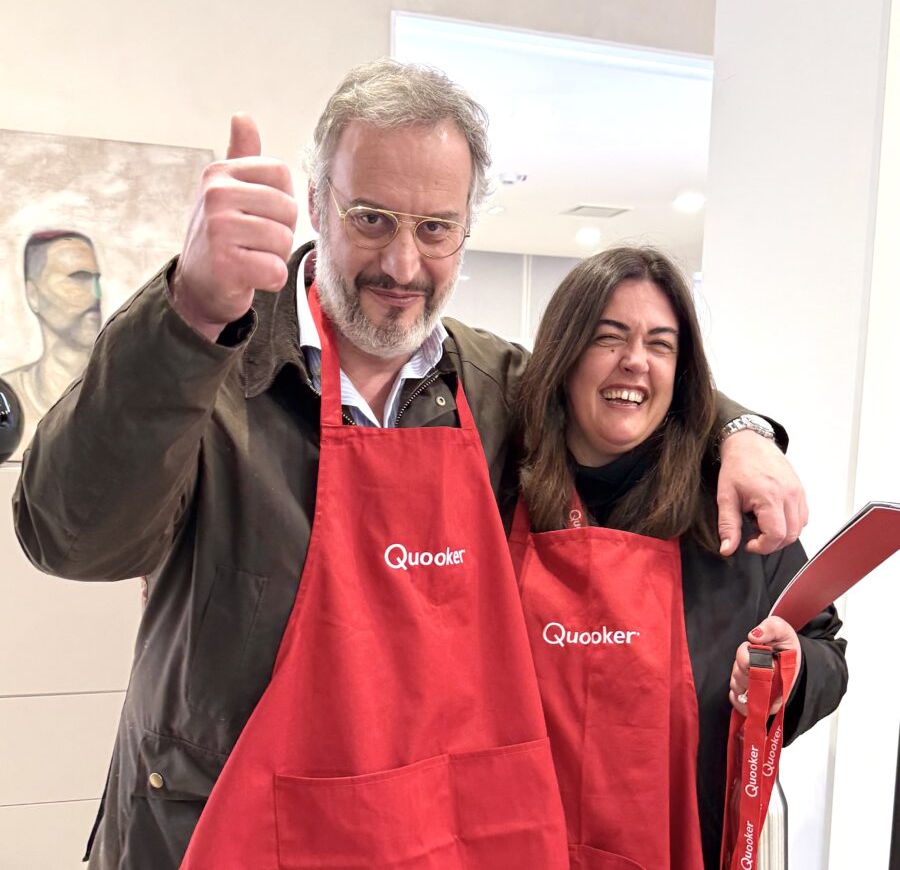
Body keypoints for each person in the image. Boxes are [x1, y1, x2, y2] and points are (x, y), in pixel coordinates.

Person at [14, 61, 807, 869]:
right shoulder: (209, 362)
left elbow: (623, 391)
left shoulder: (493, 387)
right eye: (372, 219)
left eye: (435, 229)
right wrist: (188, 309)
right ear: (317, 201)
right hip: (216, 830)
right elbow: (70, 538)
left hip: (418, 838)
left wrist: (742, 431)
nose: (401, 266)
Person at [510, 246, 848, 869]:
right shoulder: (498, 487)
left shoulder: (733, 509)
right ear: (564, 354)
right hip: (512, 841)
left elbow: (823, 647)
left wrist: (792, 672)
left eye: (660, 345)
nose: (635, 361)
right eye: (608, 337)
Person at [2, 230, 102, 460]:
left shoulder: (127, 395)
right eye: (79, 277)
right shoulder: (9, 400)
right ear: (33, 294)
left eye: (96, 280)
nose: (96, 294)